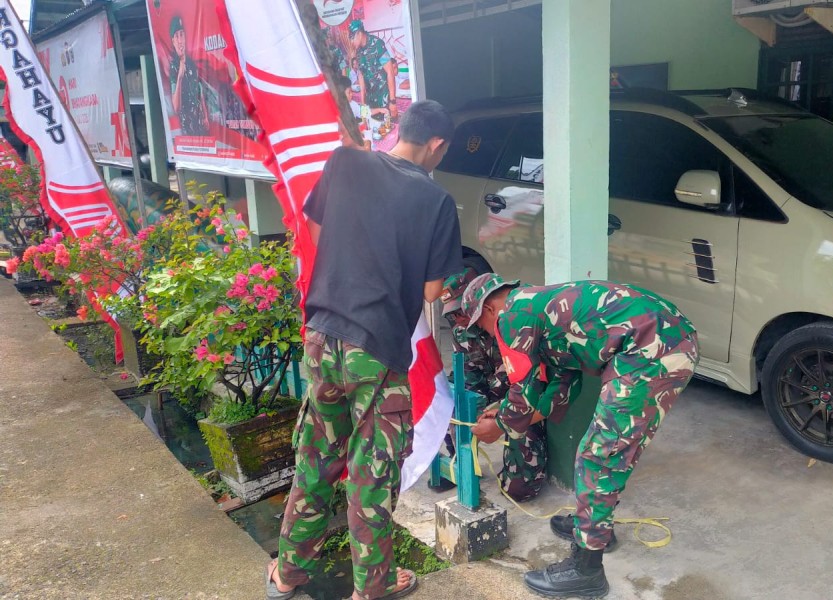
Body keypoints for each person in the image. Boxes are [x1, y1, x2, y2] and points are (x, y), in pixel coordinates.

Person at [266, 100, 461, 600]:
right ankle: (372, 588)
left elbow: (315, 230)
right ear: (436, 144)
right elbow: (433, 292)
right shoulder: (435, 201)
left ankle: (286, 575)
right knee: (371, 475)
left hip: (321, 334)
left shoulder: (344, 162)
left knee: (315, 459)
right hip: (375, 350)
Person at [463, 274, 699, 598]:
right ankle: (596, 529)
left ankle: (587, 571)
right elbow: (563, 384)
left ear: (489, 309)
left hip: (653, 349)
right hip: (660, 339)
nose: (490, 336)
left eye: (483, 328)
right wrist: (510, 414)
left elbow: (524, 391)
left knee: (599, 456)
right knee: (604, 451)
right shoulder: (539, 312)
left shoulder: (512, 315)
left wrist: (500, 424)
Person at [436, 268, 548, 501]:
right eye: (452, 315)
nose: (458, 319)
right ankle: (461, 461)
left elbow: (532, 386)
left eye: (460, 311)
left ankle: (523, 471)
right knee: (448, 397)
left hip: (522, 400)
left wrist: (500, 416)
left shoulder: (516, 323)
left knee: (518, 490)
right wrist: (471, 411)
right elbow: (469, 376)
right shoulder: (462, 332)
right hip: (494, 392)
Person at [345, 19, 398, 120]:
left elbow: (390, 72)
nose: (351, 42)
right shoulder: (358, 51)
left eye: (352, 38)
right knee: (372, 128)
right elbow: (361, 76)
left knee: (388, 128)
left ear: (359, 33)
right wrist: (363, 102)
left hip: (384, 99)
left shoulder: (377, 44)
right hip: (370, 101)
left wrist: (392, 101)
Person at [167, 16, 209, 137]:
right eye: (177, 36)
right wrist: (180, 77)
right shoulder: (174, 68)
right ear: (173, 41)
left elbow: (199, 91)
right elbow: (176, 107)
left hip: (199, 122)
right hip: (188, 129)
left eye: (182, 34)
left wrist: (205, 116)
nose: (180, 40)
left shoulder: (191, 63)